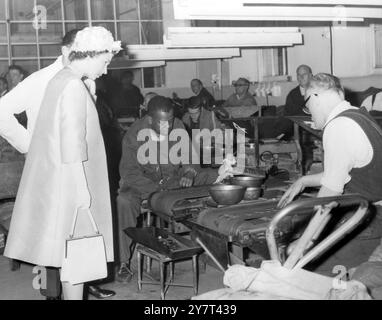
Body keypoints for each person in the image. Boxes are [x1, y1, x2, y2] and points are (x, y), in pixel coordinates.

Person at [4, 26, 122, 300]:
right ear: (93, 54)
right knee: (77, 257)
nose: (105, 71)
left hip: (61, 181)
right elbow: (72, 144)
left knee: (73, 259)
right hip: (73, 184)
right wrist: (82, 191)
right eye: (105, 62)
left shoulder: (61, 78)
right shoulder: (72, 86)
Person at [278, 73, 382, 277]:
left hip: (372, 219)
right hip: (374, 213)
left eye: (307, 106)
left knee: (310, 269)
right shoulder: (358, 116)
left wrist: (304, 245)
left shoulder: (338, 127)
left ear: (315, 96)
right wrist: (303, 180)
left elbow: (328, 200)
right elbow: (347, 171)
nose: (309, 114)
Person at [116, 95, 217, 282]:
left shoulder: (177, 125)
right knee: (124, 200)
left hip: (172, 178)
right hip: (142, 183)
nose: (168, 127)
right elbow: (129, 173)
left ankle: (211, 245)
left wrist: (189, 172)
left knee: (215, 176)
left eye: (170, 121)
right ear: (149, 120)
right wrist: (156, 189)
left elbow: (189, 156)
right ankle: (123, 262)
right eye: (163, 123)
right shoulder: (133, 134)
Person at [283, 65, 315, 173]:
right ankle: (305, 170)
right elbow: (288, 116)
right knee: (303, 138)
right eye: (298, 75)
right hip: (299, 130)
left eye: (304, 74)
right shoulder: (292, 95)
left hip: (317, 128)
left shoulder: (318, 91)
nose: (301, 77)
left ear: (311, 76)